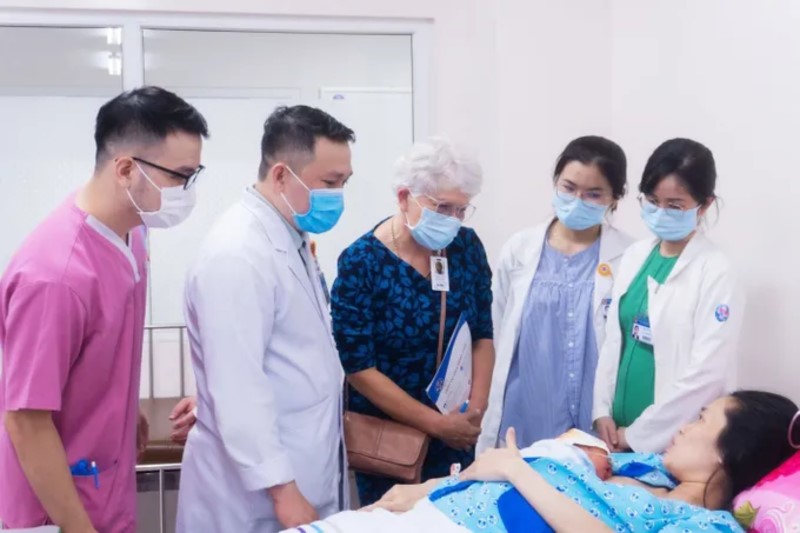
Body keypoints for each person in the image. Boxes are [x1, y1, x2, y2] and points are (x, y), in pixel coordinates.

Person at [0, 86, 208, 532]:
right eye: (180, 176)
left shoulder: (132, 235)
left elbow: (101, 348)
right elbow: (26, 421)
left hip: (104, 480)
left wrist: (123, 408)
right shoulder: (54, 278)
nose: (187, 191)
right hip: (54, 512)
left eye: (194, 175)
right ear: (126, 169)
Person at [176, 105, 355, 533]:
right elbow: (237, 385)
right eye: (330, 183)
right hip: (257, 497)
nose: (338, 196)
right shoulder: (238, 252)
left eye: (344, 183)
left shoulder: (290, 238)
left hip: (301, 467)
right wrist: (283, 491)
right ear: (280, 176)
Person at [281, 390, 800, 532]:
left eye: (702, 420)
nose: (684, 426)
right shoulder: (644, 466)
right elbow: (543, 456)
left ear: (730, 451)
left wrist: (513, 469)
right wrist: (431, 487)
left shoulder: (705, 526)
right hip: (438, 508)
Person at [331, 138, 495, 506]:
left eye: (461, 209)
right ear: (405, 197)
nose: (453, 219)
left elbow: (482, 334)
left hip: (456, 430)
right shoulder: (362, 262)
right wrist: (436, 425)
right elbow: (358, 367)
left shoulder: (466, 248)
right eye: (443, 207)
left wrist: (475, 411)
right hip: (389, 439)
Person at [479, 136, 632, 454]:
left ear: (615, 198)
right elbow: (496, 328)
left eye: (593, 194)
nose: (578, 200)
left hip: (596, 423)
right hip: (525, 416)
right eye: (569, 188)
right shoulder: (520, 249)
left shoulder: (630, 256)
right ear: (555, 183)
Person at [593, 138, 745, 454]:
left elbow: (707, 374)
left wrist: (637, 435)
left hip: (674, 440)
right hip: (614, 432)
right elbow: (613, 340)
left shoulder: (716, 271)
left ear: (705, 205)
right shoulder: (634, 256)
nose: (661, 212)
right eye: (652, 201)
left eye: (675, 205)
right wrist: (601, 411)